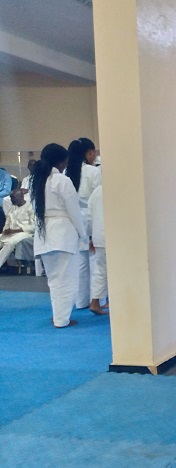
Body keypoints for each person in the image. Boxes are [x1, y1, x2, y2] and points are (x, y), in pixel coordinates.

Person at [31, 143, 86, 328]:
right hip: (63, 234)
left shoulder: (37, 181)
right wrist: (83, 234)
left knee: (54, 280)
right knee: (67, 280)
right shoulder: (62, 181)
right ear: (61, 162)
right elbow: (74, 211)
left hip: (44, 234)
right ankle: (62, 319)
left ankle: (58, 315)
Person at [66, 137, 102, 310]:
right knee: (96, 263)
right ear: (89, 152)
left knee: (80, 265)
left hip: (75, 222)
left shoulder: (67, 173)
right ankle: (98, 300)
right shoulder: (93, 172)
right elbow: (98, 198)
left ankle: (81, 301)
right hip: (92, 220)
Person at [0, 188, 35, 270]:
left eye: (13, 198)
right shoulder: (12, 208)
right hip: (11, 233)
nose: (12, 200)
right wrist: (6, 230)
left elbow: (34, 227)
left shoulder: (30, 208)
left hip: (25, 232)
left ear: (21, 197)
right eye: (11, 198)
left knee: (10, 243)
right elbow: (8, 222)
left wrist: (17, 230)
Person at [87, 184, 108, 315]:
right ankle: (116, 304)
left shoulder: (97, 191)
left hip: (99, 235)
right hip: (116, 236)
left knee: (100, 271)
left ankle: (95, 302)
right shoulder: (121, 187)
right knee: (118, 272)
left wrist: (91, 236)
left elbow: (89, 217)